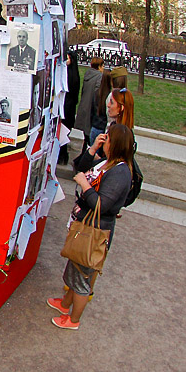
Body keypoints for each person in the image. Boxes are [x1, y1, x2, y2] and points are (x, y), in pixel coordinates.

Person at [49, 123, 134, 330]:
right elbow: (81, 166)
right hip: (84, 226)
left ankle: (73, 320)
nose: (105, 140)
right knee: (74, 267)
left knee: (82, 277)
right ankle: (65, 304)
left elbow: (101, 205)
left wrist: (85, 186)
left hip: (94, 232)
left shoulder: (120, 173)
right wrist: (93, 149)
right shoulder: (109, 163)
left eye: (108, 139)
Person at [74, 57, 104, 143]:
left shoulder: (88, 75)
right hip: (91, 108)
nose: (103, 68)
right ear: (99, 66)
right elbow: (97, 94)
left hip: (84, 106)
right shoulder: (99, 77)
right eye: (102, 66)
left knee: (86, 135)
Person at [59, 52, 81, 165]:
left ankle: (62, 155)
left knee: (63, 133)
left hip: (67, 108)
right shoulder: (72, 73)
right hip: (67, 108)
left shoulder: (71, 74)